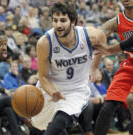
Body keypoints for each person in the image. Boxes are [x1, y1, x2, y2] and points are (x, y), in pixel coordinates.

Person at [31, 2, 108, 135]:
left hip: (76, 89)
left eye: (63, 20)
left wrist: (95, 67)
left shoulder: (89, 35)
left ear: (73, 21)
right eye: (55, 20)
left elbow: (102, 37)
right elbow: (43, 76)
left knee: (60, 120)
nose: (58, 25)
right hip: (51, 87)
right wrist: (52, 92)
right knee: (38, 127)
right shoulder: (45, 43)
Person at [89, 0, 133, 135]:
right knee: (107, 107)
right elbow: (99, 39)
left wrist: (110, 49)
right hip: (129, 65)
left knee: (131, 100)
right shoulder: (117, 21)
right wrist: (94, 68)